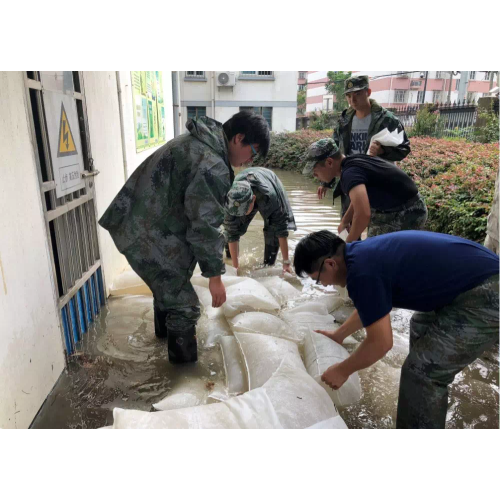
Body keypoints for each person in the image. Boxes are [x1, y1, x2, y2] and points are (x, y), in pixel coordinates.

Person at [99, 111, 270, 364]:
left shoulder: (198, 142)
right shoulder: (213, 164)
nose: (249, 161)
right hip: (148, 233)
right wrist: (215, 278)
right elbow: (205, 226)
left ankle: (160, 346)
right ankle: (181, 377)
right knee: (184, 306)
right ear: (239, 138)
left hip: (140, 224)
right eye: (252, 152)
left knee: (170, 289)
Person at [293, 229, 499, 429]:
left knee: (421, 372)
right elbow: (372, 306)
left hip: (486, 292)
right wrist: (340, 335)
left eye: (317, 279)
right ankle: (426, 403)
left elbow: (381, 343)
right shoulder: (359, 256)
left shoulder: (361, 272)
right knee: (420, 325)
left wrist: (342, 370)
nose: (325, 285)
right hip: (472, 281)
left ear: (330, 264)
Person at [317, 75, 411, 217]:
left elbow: (404, 148)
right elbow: (333, 151)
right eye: (349, 96)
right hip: (351, 178)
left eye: (357, 94)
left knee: (376, 228)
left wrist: (382, 150)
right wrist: (326, 181)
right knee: (348, 229)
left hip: (377, 182)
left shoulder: (386, 119)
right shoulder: (344, 120)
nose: (352, 100)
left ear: (368, 92)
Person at [303, 138, 427, 242]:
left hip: (408, 211)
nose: (315, 176)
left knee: (377, 253)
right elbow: (359, 201)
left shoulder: (349, 174)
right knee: (371, 247)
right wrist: (345, 221)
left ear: (329, 162)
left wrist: (347, 246)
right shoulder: (351, 163)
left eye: (315, 171)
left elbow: (363, 214)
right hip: (400, 206)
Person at [224, 167, 296, 273]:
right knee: (231, 228)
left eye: (243, 211)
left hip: (269, 181)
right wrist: (235, 268)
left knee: (272, 230)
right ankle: (230, 259)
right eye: (238, 212)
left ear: (253, 199)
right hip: (244, 187)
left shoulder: (270, 197)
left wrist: (286, 262)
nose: (241, 215)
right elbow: (231, 231)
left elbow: (281, 228)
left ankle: (268, 264)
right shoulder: (230, 199)